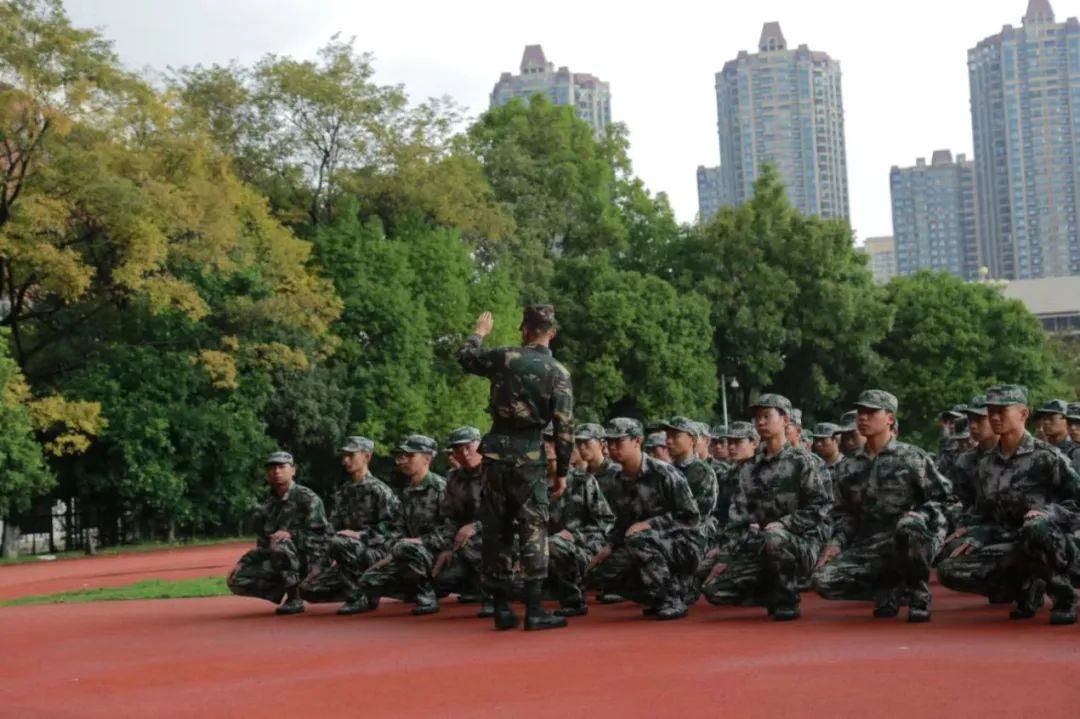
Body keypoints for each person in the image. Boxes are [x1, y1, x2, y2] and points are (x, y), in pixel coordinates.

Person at [458, 305, 574, 631]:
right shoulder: (558, 373)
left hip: (496, 453)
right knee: (533, 527)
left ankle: (501, 608)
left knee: (497, 528)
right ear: (552, 332)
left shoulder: (504, 357)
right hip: (530, 456)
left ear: (525, 329)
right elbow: (564, 429)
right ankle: (534, 610)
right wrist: (562, 472)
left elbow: (466, 357)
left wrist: (479, 333)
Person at [937, 385, 1080, 625]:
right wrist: (974, 532)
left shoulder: (1046, 457)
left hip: (1051, 540)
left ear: (1023, 414)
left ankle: (1063, 596)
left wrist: (1048, 513)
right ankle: (1023, 587)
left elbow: (1076, 501)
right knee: (949, 569)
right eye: (991, 411)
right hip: (1009, 541)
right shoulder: (986, 464)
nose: (994, 417)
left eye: (1001, 411)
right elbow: (984, 513)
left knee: (1036, 528)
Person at [812, 391, 951, 622]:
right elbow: (845, 514)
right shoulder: (849, 466)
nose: (862, 417)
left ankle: (918, 594)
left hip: (911, 540)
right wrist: (836, 543)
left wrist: (921, 515)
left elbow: (944, 499)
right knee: (822, 581)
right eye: (861, 412)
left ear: (890, 418)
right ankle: (887, 589)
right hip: (871, 545)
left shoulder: (911, 457)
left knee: (908, 527)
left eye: (871, 412)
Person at [702, 395, 830, 620]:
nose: (760, 422)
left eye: (766, 416)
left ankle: (787, 600)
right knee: (714, 588)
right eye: (757, 418)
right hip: (762, 543)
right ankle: (773, 591)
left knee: (775, 537)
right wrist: (725, 556)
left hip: (801, 543)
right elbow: (738, 518)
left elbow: (821, 506)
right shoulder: (749, 468)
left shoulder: (803, 461)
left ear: (785, 420)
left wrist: (784, 524)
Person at [588, 418, 700, 620]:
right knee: (599, 573)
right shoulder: (616, 481)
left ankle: (672, 599)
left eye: (619, 441)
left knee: (638, 539)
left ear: (637, 441)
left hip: (682, 543)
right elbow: (622, 523)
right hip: (644, 544)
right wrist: (609, 546)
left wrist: (650, 524)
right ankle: (656, 595)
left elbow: (690, 517)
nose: (612, 447)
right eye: (609, 442)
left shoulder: (664, 473)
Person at [298, 437, 401, 613]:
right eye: (344, 455)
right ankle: (366, 589)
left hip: (377, 553)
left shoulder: (379, 490)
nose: (345, 460)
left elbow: (393, 528)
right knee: (309, 589)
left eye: (351, 455)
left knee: (341, 541)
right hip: (350, 554)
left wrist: (361, 535)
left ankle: (360, 597)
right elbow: (330, 531)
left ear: (367, 457)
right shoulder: (344, 492)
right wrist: (319, 566)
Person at [227, 451, 328, 615]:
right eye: (272, 468)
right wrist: (243, 562)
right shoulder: (267, 507)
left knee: (281, 543)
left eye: (282, 467)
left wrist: (291, 535)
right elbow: (263, 547)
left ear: (293, 470)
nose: (276, 471)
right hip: (283, 561)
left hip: (312, 560)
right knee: (237, 578)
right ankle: (286, 589)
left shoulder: (307, 498)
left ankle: (295, 597)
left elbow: (322, 537)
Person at [546, 423, 617, 617]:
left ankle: (574, 598)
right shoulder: (535, 484)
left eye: (553, 441)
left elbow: (606, 522)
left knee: (555, 545)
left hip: (584, 546)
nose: (547, 446)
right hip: (546, 549)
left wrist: (574, 535)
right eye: (544, 441)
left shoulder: (582, 480)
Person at [431, 426, 489, 615]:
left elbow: (508, 512)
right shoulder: (453, 478)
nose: (464, 453)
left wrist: (476, 526)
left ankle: (494, 593)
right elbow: (451, 517)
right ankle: (474, 586)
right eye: (458, 449)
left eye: (468, 447)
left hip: (500, 535)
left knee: (471, 545)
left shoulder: (497, 472)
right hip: (465, 541)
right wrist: (447, 548)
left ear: (480, 446)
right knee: (441, 578)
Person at [1034, 399, 1080, 472]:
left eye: (1051, 418)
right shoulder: (1039, 447)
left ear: (1066, 420)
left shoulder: (1075, 451)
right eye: (1044, 418)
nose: (1046, 422)